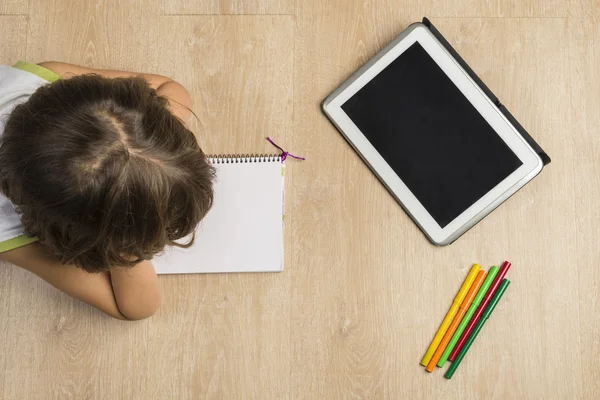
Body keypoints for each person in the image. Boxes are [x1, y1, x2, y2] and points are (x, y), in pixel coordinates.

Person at [0, 61, 215, 320]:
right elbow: (137, 307)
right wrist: (123, 248)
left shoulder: (40, 83)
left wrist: (153, 146)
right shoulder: (5, 230)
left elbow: (172, 89)